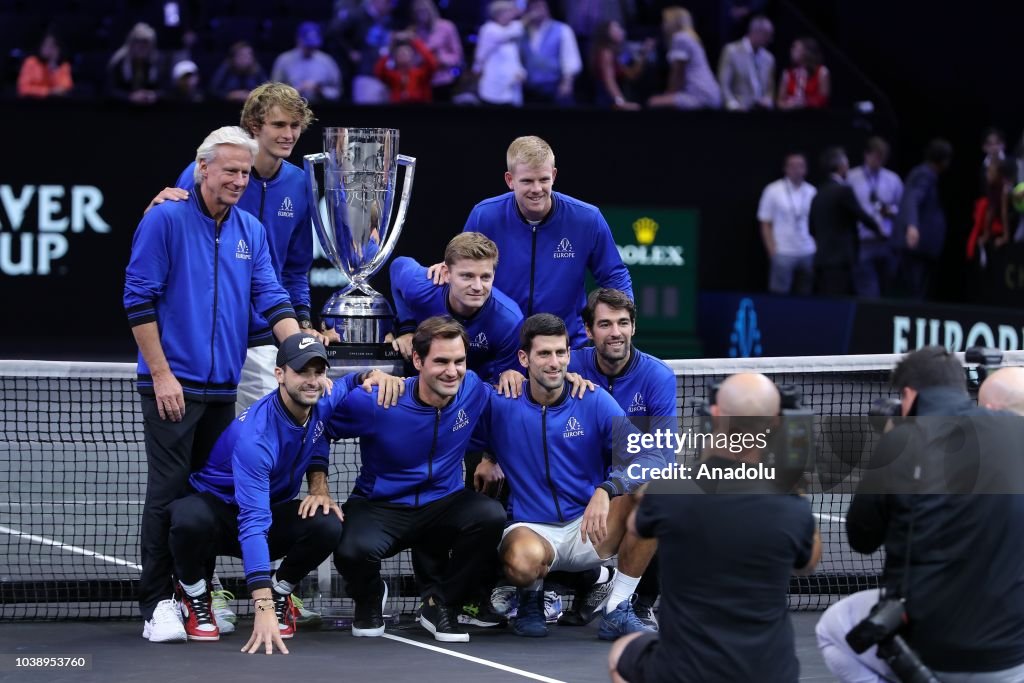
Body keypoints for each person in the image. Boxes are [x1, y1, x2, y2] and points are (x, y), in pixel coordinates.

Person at [124, 126, 302, 642]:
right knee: (167, 495)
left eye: (245, 172)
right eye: (229, 170)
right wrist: (161, 375)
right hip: (171, 386)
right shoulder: (165, 220)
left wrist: (300, 356)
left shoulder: (251, 229)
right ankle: (156, 605)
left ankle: (195, 593)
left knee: (208, 502)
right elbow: (138, 302)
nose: (239, 180)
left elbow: (274, 301)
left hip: (224, 391)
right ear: (203, 169)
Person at [162, 335, 400, 648]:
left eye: (318, 372)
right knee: (187, 517)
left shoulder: (322, 398)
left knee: (327, 522)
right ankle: (193, 595)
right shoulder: (256, 439)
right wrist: (259, 607)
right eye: (302, 372)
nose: (312, 381)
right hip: (219, 517)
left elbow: (346, 384)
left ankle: (281, 592)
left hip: (269, 510)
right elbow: (253, 523)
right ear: (279, 375)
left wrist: (370, 375)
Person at [815, 347, 1024, 681]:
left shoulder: (900, 441)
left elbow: (862, 538)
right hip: (1011, 656)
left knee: (832, 628)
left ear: (909, 394)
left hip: (930, 651)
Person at [609, 372, 821, 683]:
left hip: (685, 672)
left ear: (716, 417)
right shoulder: (791, 507)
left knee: (621, 653)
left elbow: (636, 526)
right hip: (771, 672)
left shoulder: (670, 492)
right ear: (775, 423)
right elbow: (809, 562)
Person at [472, 313, 662, 640]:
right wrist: (488, 457)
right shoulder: (500, 403)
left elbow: (650, 456)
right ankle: (531, 598)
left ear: (569, 355)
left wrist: (607, 489)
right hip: (532, 528)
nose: (554, 362)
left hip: (591, 527)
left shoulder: (594, 400)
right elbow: (451, 421)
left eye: (560, 353)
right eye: (544, 354)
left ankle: (617, 607)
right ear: (524, 358)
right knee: (520, 560)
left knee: (656, 495)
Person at [322, 317, 507, 643]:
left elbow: (503, 416)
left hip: (442, 503)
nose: (453, 371)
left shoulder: (474, 388)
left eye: (459, 361)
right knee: (350, 551)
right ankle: (369, 597)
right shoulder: (378, 401)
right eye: (441, 361)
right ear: (418, 361)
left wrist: (490, 456)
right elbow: (318, 426)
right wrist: (318, 486)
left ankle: (441, 604)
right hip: (381, 506)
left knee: (490, 516)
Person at [146, 82, 322, 414]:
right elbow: (164, 235)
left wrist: (300, 319)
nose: (289, 134)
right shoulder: (206, 173)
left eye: (295, 125)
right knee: (203, 452)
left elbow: (295, 269)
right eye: (279, 124)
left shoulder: (300, 184)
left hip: (260, 337)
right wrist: (151, 211)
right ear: (255, 126)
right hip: (202, 337)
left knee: (261, 442)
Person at [446, 135, 633, 349]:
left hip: (566, 350)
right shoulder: (484, 216)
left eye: (543, 180)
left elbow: (614, 275)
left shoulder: (587, 219)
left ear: (553, 175)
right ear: (510, 180)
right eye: (527, 181)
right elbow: (460, 268)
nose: (536, 189)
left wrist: (622, 324)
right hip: (500, 349)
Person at [567, 288, 677, 628]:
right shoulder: (568, 363)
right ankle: (592, 582)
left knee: (659, 493)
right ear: (588, 330)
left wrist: (612, 486)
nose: (615, 332)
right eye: (605, 324)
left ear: (633, 327)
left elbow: (662, 455)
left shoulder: (657, 377)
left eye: (623, 323)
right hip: (573, 482)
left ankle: (638, 602)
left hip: (620, 487)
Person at [390, 233, 523, 384]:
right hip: (418, 385)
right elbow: (398, 266)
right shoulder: (422, 287)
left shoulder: (509, 321)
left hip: (477, 393)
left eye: (485, 277)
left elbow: (503, 388)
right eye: (467, 276)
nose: (478, 287)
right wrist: (407, 327)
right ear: (446, 274)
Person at [809, 147, 882, 296]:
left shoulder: (818, 193)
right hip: (840, 261)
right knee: (839, 305)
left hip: (821, 260)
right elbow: (862, 216)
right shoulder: (843, 191)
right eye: (847, 164)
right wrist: (880, 230)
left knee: (826, 302)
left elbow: (811, 228)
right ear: (842, 166)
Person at [893, 139, 953, 300]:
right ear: (944, 160)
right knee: (914, 291)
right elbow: (912, 199)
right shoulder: (924, 174)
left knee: (919, 290)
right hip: (917, 247)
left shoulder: (927, 174)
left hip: (922, 248)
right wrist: (912, 226)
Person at [848, 137, 903, 297]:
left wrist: (891, 211)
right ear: (866, 154)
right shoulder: (852, 178)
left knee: (888, 288)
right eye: (876, 156)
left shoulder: (893, 179)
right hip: (863, 241)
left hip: (887, 241)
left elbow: (902, 209)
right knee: (868, 291)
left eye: (883, 157)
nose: (879, 160)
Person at [758, 152, 818, 295]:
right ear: (785, 168)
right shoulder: (773, 190)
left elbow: (818, 222)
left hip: (808, 251)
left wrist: (816, 246)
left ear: (806, 169)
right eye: (792, 166)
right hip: (783, 251)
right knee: (779, 295)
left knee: (806, 295)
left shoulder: (812, 191)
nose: (796, 169)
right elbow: (765, 222)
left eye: (800, 166)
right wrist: (772, 250)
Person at [647, 7, 722, 110]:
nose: (662, 25)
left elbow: (677, 75)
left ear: (673, 22)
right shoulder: (691, 37)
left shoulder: (680, 38)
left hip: (700, 96)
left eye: (665, 21)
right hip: (710, 94)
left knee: (653, 102)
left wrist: (668, 95)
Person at [519, 0, 583, 106]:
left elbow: (570, 58)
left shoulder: (562, 29)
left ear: (547, 8)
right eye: (532, 6)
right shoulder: (521, 31)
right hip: (529, 89)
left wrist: (567, 82)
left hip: (554, 86)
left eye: (539, 5)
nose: (536, 9)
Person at [271, 22, 342, 103]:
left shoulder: (327, 61)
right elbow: (273, 91)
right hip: (291, 108)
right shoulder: (284, 60)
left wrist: (320, 91)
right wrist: (296, 91)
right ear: (298, 40)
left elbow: (337, 91)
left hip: (322, 108)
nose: (310, 48)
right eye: (307, 45)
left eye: (313, 45)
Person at [589, 20, 653, 110]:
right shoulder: (606, 53)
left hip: (616, 98)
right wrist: (621, 103)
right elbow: (609, 80)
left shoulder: (617, 53)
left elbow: (631, 75)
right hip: (608, 101)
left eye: (619, 28)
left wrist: (643, 54)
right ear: (606, 34)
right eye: (616, 29)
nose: (621, 31)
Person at [717, 15, 775, 111]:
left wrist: (768, 100)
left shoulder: (769, 58)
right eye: (767, 35)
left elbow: (770, 89)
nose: (770, 40)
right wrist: (734, 106)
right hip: (738, 111)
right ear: (756, 32)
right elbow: (724, 85)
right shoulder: (731, 51)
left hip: (762, 113)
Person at [474, 0, 527, 106]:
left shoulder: (511, 35)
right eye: (507, 12)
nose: (511, 15)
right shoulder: (489, 29)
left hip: (510, 89)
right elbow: (505, 34)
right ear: (497, 14)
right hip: (492, 88)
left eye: (510, 12)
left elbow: (513, 59)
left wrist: (521, 72)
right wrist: (527, 19)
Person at [409, 0, 463, 102]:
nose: (421, 14)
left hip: (443, 81)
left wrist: (441, 59)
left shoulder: (447, 27)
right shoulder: (413, 32)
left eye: (424, 10)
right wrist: (423, 56)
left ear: (431, 10)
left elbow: (458, 56)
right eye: (418, 11)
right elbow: (410, 60)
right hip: (421, 81)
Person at [106, 22, 166, 105]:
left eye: (145, 42)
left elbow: (166, 88)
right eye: (138, 41)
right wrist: (129, 96)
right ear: (130, 43)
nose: (141, 46)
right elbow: (110, 90)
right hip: (122, 108)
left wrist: (154, 95)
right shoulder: (118, 61)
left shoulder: (158, 61)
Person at [373, 31, 438, 103]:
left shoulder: (420, 73)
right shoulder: (392, 76)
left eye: (406, 52)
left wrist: (415, 40)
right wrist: (391, 45)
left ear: (412, 56)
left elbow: (432, 63)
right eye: (400, 53)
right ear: (395, 57)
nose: (403, 54)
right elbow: (378, 71)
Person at [777, 37, 829, 110]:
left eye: (796, 49)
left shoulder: (821, 72)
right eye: (792, 48)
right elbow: (780, 101)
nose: (792, 51)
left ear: (807, 52)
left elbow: (823, 98)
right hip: (789, 116)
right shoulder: (787, 73)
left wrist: (804, 103)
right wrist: (789, 105)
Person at [17, 32, 73, 98]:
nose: (48, 49)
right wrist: (48, 91)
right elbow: (23, 88)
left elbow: (66, 87)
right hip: (32, 102)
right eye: (46, 45)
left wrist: (54, 66)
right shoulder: (31, 62)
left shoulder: (63, 65)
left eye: (52, 46)